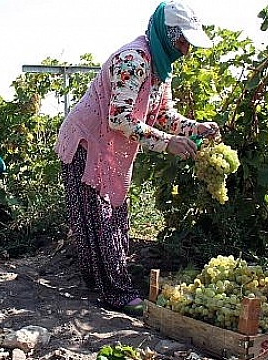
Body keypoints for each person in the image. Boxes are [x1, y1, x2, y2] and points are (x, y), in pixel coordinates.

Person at [54, 0, 221, 316]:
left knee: (109, 215)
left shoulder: (162, 67)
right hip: (87, 143)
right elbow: (120, 119)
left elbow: (163, 114)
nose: (186, 50)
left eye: (189, 43)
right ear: (166, 33)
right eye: (182, 41)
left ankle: (103, 282)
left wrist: (193, 127)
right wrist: (168, 143)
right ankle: (114, 292)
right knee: (99, 218)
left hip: (109, 147)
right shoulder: (134, 59)